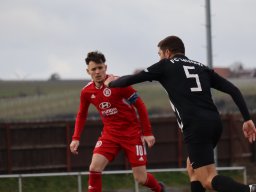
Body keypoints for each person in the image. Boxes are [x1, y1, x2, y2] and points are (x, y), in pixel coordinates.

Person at [104, 35, 256, 192]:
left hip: (196, 127)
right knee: (192, 169)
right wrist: (247, 119)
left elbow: (132, 79)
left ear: (168, 52)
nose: (160, 57)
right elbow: (233, 90)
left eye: (160, 54)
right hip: (214, 123)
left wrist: (111, 83)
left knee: (208, 179)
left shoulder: (165, 65)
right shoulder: (200, 67)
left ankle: (249, 189)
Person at [70, 51, 166, 192]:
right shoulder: (86, 92)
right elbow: (81, 114)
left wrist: (147, 133)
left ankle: (159, 189)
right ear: (88, 71)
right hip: (110, 135)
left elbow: (140, 105)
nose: (97, 72)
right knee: (94, 168)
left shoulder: (119, 84)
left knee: (140, 178)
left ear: (106, 67)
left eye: (100, 68)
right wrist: (76, 138)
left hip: (131, 134)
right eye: (94, 69)